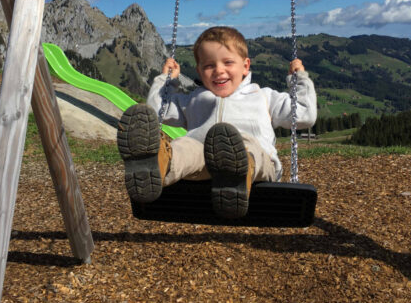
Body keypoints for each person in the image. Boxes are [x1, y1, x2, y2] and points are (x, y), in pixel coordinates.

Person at [117, 26, 317, 219]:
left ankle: (237, 173)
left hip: (257, 166)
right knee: (185, 146)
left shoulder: (264, 96)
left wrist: (299, 80)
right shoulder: (194, 99)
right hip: (204, 163)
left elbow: (305, 115)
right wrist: (167, 80)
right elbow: (158, 111)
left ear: (245, 66)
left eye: (228, 62)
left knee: (246, 144)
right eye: (209, 65)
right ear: (199, 70)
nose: (218, 70)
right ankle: (156, 164)